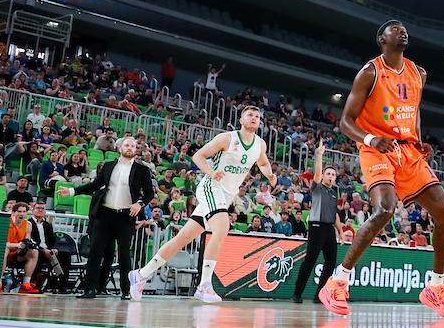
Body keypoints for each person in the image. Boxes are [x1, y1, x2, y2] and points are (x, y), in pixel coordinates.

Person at [318, 21, 444, 320]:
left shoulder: (418, 73)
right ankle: (338, 281)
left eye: (405, 28)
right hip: (376, 147)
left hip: (407, 150)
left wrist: (418, 140)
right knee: (384, 209)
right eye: (395, 29)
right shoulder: (370, 72)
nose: (402, 31)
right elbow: (345, 122)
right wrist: (370, 138)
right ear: (382, 39)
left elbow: (414, 107)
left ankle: (435, 287)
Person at [129, 105, 272, 303]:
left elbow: (263, 163)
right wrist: (212, 172)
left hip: (226, 195)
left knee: (182, 239)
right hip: (211, 187)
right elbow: (198, 156)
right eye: (250, 115)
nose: (254, 118)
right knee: (222, 227)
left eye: (257, 116)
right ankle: (204, 285)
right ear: (241, 119)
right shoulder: (227, 138)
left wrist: (271, 175)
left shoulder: (259, 144)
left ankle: (141, 274)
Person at [59, 136, 155, 299]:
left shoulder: (142, 170)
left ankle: (126, 291)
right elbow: (94, 185)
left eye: (133, 145)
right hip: (105, 215)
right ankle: (89, 289)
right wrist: (72, 191)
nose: (130, 147)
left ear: (136, 150)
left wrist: (139, 203)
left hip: (126, 217)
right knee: (95, 252)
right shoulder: (109, 166)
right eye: (126, 145)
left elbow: (149, 193)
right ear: (120, 148)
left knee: (125, 254)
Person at [292, 141, 341, 304]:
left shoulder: (334, 192)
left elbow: (335, 215)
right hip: (316, 227)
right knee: (310, 260)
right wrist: (319, 155)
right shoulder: (317, 188)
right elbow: (317, 175)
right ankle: (297, 293)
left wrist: (340, 231)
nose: (330, 176)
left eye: (333, 175)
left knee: (331, 262)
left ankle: (319, 295)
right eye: (328, 174)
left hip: (329, 229)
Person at [4, 202, 41, 294]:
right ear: (13, 212)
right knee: (5, 250)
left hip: (17, 253)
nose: (22, 214)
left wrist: (28, 245)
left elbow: (26, 240)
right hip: (5, 251)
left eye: (24, 212)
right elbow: (1, 243)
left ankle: (26, 284)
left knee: (34, 252)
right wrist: (16, 245)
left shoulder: (28, 224)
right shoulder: (6, 222)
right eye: (19, 211)